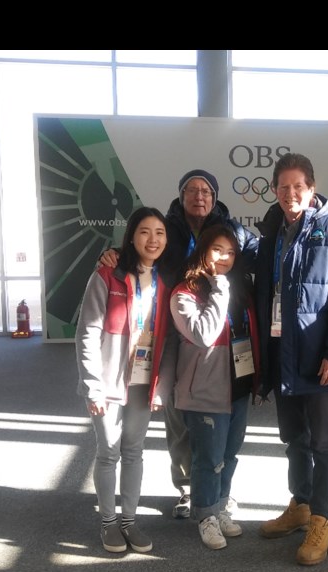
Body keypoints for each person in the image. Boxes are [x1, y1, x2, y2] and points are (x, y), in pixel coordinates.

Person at [100, 170, 258, 520]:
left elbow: (260, 253)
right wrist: (113, 252)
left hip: (224, 330)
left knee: (225, 421)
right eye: (192, 190)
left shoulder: (233, 229)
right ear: (181, 194)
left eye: (206, 191)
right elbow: (142, 247)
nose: (199, 196)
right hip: (175, 327)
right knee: (179, 416)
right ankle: (188, 488)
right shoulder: (168, 227)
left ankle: (218, 493)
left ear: (215, 197)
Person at [254, 152, 328, 566]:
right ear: (274, 190)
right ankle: (300, 504)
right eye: (283, 187)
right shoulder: (270, 233)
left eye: (298, 186)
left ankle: (323, 518)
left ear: (312, 189)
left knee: (324, 443)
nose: (290, 193)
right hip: (284, 353)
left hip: (320, 359)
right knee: (293, 438)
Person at [76, 206, 174, 554]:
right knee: (108, 452)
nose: (153, 239)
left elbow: (166, 341)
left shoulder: (163, 282)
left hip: (143, 382)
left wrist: (161, 387)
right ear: (131, 236)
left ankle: (129, 521)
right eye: (145, 231)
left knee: (134, 452)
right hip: (109, 381)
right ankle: (108, 523)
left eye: (160, 232)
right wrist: (92, 385)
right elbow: (87, 333)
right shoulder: (107, 275)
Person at [170, 225, 259, 550]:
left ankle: (220, 505)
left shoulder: (239, 290)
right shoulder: (184, 293)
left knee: (229, 454)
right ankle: (205, 514)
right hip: (205, 390)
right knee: (208, 458)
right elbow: (204, 334)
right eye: (217, 250)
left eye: (231, 252)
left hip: (237, 384)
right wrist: (220, 287)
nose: (225, 258)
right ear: (203, 251)